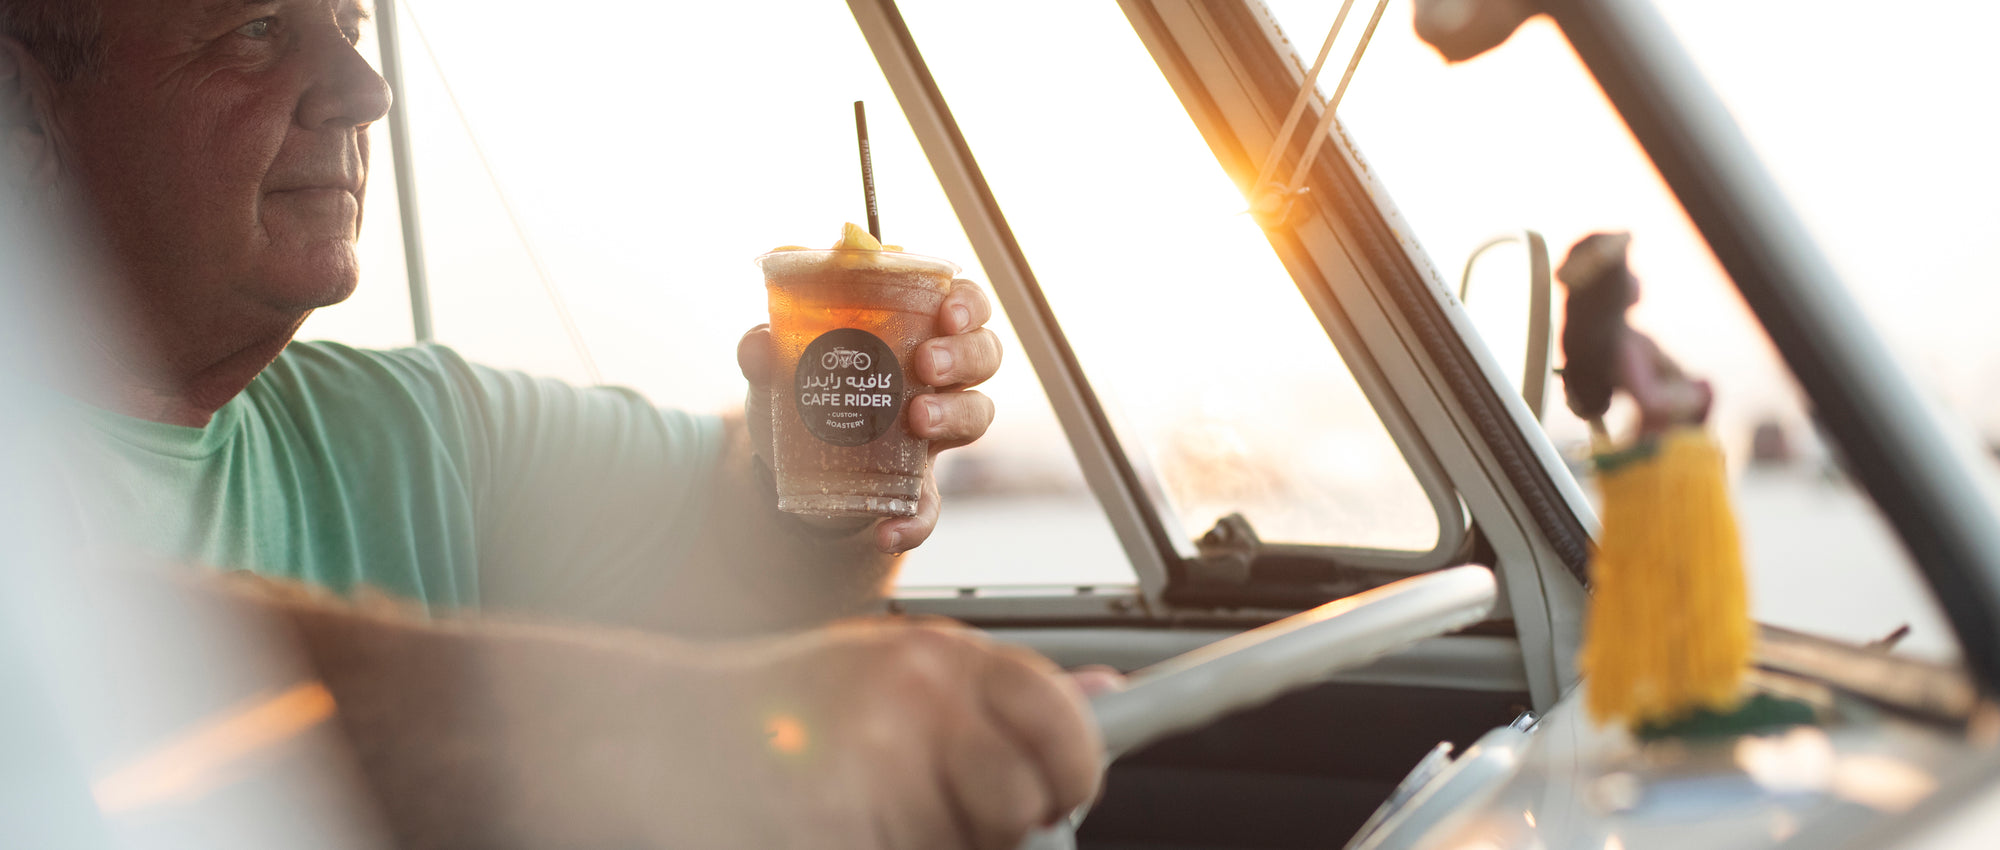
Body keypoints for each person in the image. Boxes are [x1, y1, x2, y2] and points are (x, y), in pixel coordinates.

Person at [0, 0, 1108, 847]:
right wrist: (675, 735)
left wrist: (816, 485)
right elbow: (60, 667)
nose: (361, 85)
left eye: (346, 20)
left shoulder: (413, 428)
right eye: (252, 29)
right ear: (27, 109)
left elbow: (738, 566)